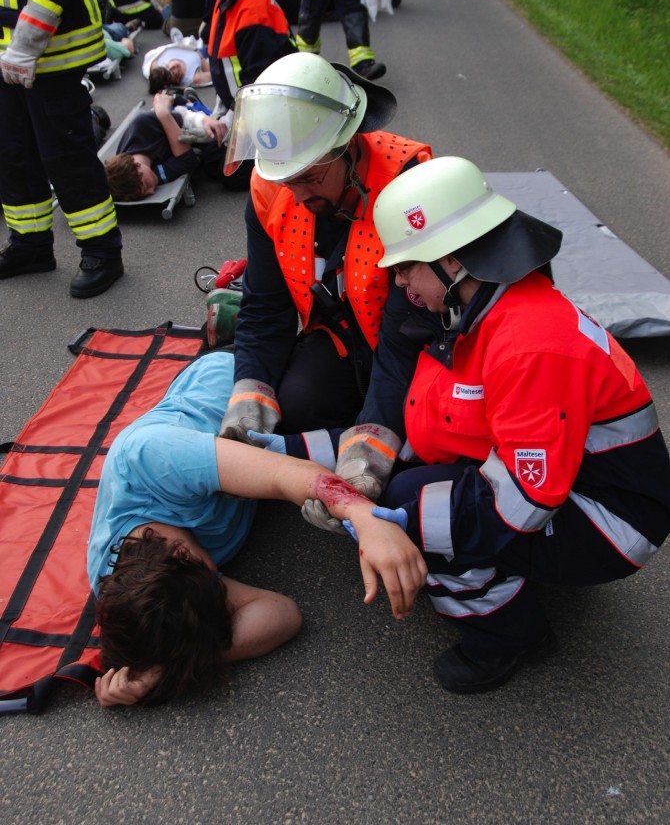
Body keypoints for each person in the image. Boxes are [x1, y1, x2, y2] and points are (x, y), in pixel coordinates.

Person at [355, 155, 670, 694]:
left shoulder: (528, 343)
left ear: (452, 260)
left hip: (613, 521)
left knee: (415, 513)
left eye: (406, 266)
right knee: (409, 487)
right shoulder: (498, 306)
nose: (400, 281)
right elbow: (461, 421)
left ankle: (512, 637)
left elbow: (523, 500)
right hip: (584, 484)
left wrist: (395, 522)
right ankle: (507, 573)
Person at [88, 349, 427, 707]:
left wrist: (367, 518)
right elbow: (282, 614)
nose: (225, 589)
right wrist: (175, 664)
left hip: (240, 384)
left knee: (308, 403)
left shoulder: (153, 460)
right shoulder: (147, 589)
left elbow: (288, 475)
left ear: (183, 552)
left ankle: (245, 332)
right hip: (217, 451)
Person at [217, 52, 432, 505]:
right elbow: (265, 307)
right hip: (344, 336)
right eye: (287, 180)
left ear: (348, 147)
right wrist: (248, 396)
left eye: (311, 177)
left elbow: (405, 340)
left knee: (426, 447)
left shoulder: (406, 188)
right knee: (294, 404)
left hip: (417, 346)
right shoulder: (272, 187)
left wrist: (369, 449)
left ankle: (379, 433)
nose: (297, 195)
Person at [0, 0, 124, 298]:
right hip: (8, 49)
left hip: (51, 48)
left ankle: (101, 250)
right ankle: (31, 243)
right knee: (14, 152)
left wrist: (26, 46)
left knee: (65, 154)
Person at [176, 0, 297, 164]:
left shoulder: (253, 12)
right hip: (242, 109)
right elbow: (226, 72)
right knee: (208, 151)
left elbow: (259, 91)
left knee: (216, 163)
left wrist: (228, 126)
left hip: (272, 117)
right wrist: (220, 117)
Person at [103, 92, 248, 199]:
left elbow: (186, 118)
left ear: (137, 166)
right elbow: (187, 162)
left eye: (145, 186)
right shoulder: (143, 175)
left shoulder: (144, 127)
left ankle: (195, 102)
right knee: (214, 167)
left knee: (212, 131)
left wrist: (164, 114)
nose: (151, 191)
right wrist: (164, 115)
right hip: (187, 138)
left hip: (185, 116)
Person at [142, 39, 212, 93]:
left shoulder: (155, 65)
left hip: (187, 47)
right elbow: (213, 74)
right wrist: (201, 56)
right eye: (172, 71)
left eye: (166, 66)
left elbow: (149, 60)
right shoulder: (194, 77)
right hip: (203, 55)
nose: (173, 66)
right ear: (177, 80)